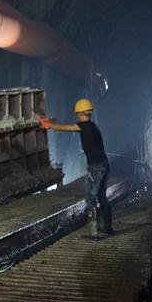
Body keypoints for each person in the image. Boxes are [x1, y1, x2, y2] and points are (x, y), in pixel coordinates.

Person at [40, 99, 113, 237]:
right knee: (102, 197)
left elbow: (66, 128)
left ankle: (93, 232)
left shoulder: (84, 126)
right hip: (105, 165)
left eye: (78, 114)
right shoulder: (94, 126)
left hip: (95, 167)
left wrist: (49, 125)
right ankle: (107, 227)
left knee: (90, 199)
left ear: (81, 114)